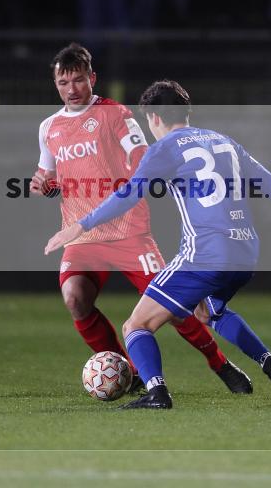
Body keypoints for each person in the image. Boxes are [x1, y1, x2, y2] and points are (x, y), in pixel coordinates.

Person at [45, 80, 271, 409]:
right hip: (245, 252)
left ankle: (157, 393)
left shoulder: (164, 148)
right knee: (208, 311)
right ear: (186, 111)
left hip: (205, 253)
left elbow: (128, 195)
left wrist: (80, 225)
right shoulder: (224, 142)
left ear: (153, 118)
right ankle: (270, 363)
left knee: (136, 326)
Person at [32, 44, 254, 395]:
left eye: (78, 80)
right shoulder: (49, 127)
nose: (71, 89)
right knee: (74, 298)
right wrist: (44, 185)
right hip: (82, 237)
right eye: (63, 82)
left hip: (128, 231)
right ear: (55, 83)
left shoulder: (116, 114)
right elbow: (48, 177)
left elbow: (141, 155)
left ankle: (220, 363)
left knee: (177, 307)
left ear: (92, 78)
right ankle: (130, 372)